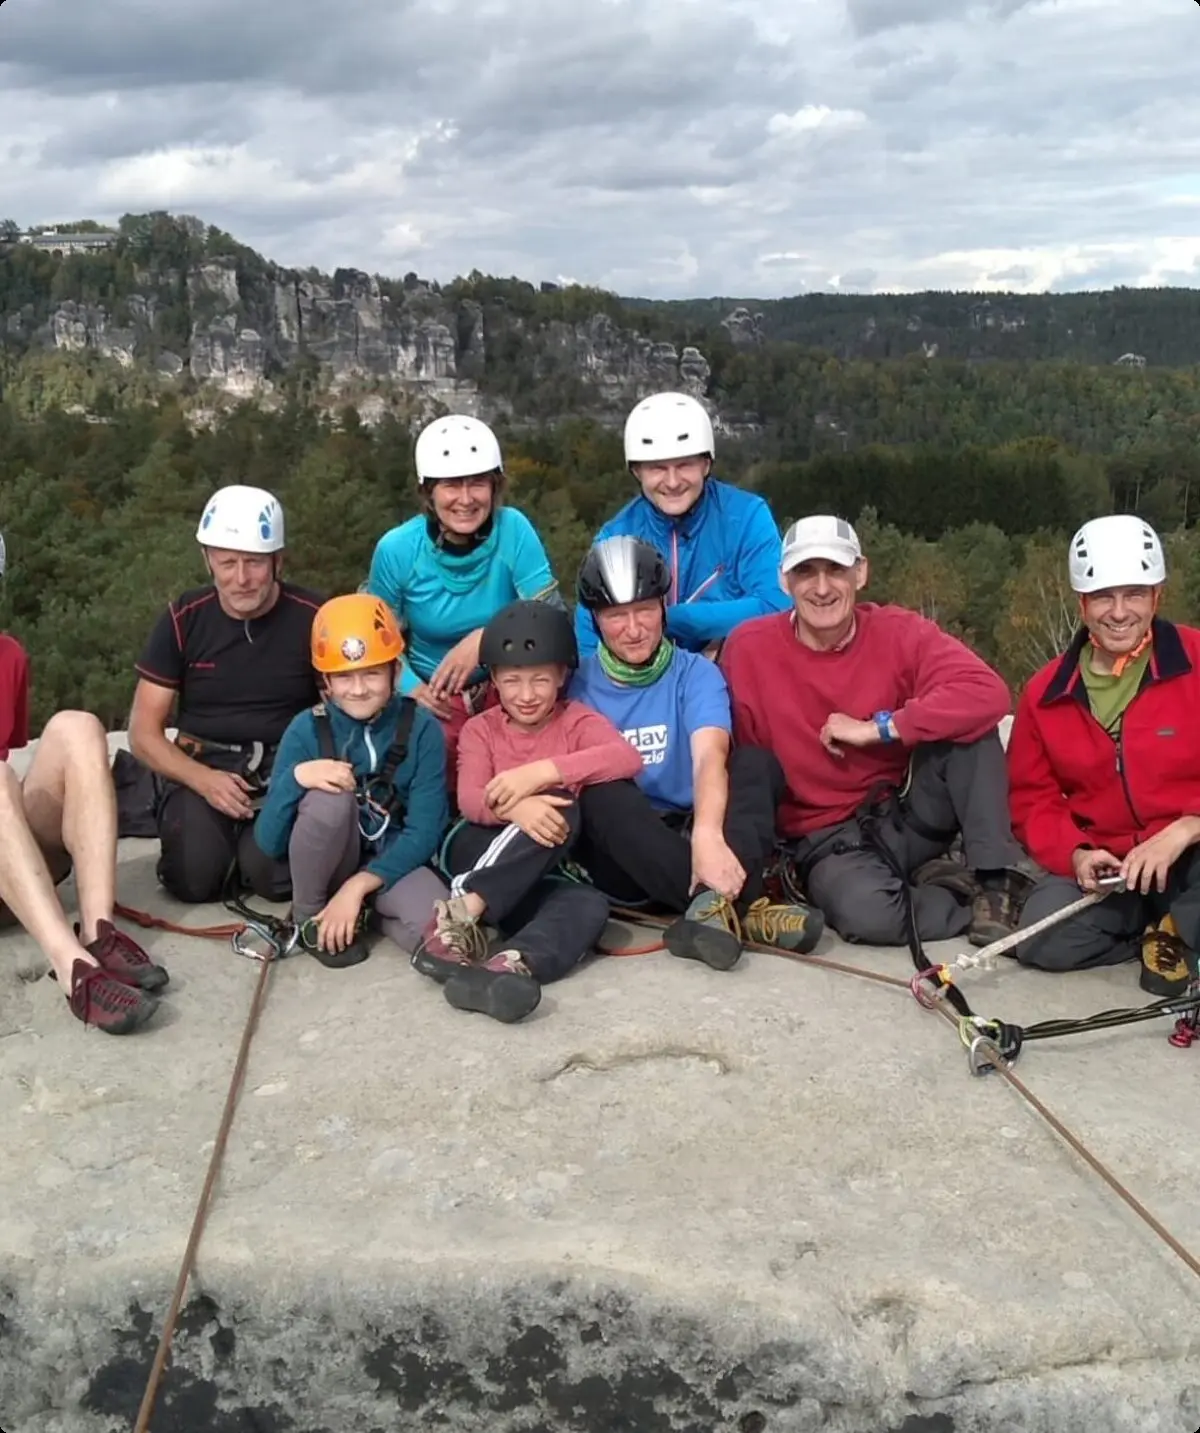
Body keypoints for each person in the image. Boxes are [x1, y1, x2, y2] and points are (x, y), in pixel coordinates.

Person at [721, 515, 1027, 948]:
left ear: (860, 573)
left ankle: (996, 884)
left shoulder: (898, 631)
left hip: (905, 811)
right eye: (805, 571)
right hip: (825, 840)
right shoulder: (748, 649)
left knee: (969, 727)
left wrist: (881, 728)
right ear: (784, 581)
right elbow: (734, 756)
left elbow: (988, 693)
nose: (822, 587)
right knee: (871, 918)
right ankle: (954, 893)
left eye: (836, 570)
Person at [570, 534, 823, 969]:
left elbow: (710, 755)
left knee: (755, 763)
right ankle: (739, 907)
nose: (633, 629)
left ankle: (710, 911)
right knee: (601, 792)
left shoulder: (694, 674)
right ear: (594, 620)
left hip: (696, 837)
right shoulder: (577, 687)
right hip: (626, 856)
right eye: (616, 615)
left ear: (664, 609)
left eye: (645, 610)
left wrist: (706, 836)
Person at [411, 600, 640, 1023]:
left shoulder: (576, 721)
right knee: (561, 803)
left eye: (540, 680)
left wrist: (539, 774)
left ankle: (508, 968)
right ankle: (460, 914)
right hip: (477, 847)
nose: (527, 694)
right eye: (513, 681)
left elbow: (625, 757)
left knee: (588, 905)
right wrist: (519, 809)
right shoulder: (482, 728)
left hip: (534, 870)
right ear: (495, 679)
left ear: (561, 677)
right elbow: (472, 799)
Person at [1008, 515, 1200, 994]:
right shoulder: (1045, 693)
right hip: (1117, 867)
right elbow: (1033, 800)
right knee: (1042, 940)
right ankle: (1160, 932)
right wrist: (1075, 855)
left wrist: (1186, 827)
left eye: (1133, 594)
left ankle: (1181, 926)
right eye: (1102, 597)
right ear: (1082, 603)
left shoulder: (1195, 662)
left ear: (1156, 595)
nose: (1118, 612)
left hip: (1192, 851)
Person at [0, 533, 166, 1033]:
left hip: (11, 872)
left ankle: (98, 929)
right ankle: (72, 967)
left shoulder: (8, 656)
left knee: (78, 726)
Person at [129, 485, 323, 905]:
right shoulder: (184, 618)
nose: (241, 578)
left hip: (284, 768)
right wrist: (202, 780)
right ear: (207, 560)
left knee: (274, 879)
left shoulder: (313, 617)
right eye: (227, 562)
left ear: (278, 561)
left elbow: (345, 706)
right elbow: (143, 731)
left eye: (254, 562)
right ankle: (219, 850)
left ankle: (248, 855)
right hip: (203, 765)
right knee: (194, 881)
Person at [251, 594, 450, 968]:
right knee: (330, 799)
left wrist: (358, 888)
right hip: (331, 858)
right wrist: (296, 778)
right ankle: (311, 917)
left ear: (395, 671)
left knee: (438, 930)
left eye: (372, 672)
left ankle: (362, 910)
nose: (358, 689)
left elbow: (425, 831)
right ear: (325, 680)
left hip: (390, 859)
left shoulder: (422, 729)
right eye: (343, 676)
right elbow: (268, 842)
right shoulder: (307, 730)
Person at [366, 415, 561, 785]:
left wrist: (488, 638)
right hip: (431, 694)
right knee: (427, 769)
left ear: (494, 487)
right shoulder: (398, 550)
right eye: (451, 485)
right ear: (428, 492)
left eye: (478, 484)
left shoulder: (513, 529)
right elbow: (377, 636)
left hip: (506, 685)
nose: (466, 499)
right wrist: (410, 688)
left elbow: (551, 613)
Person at [574, 392, 789, 660]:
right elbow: (589, 639)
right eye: (657, 468)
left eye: (685, 465)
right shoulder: (615, 537)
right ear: (636, 471)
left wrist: (666, 619)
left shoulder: (745, 516)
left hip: (731, 670)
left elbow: (776, 605)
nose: (673, 482)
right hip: (644, 685)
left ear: (706, 464)